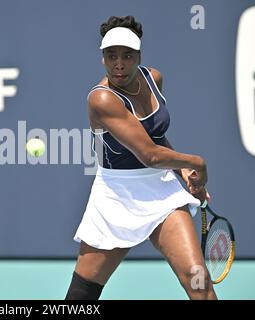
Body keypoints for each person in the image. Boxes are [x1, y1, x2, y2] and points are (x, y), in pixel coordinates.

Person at [65, 15, 217, 300]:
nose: (119, 64)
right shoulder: (102, 99)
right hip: (116, 195)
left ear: (139, 56)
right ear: (102, 59)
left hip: (161, 190)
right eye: (111, 56)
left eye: (127, 56)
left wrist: (181, 173)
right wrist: (196, 163)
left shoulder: (153, 78)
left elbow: (155, 139)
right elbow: (149, 155)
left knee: (199, 279)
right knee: (82, 295)